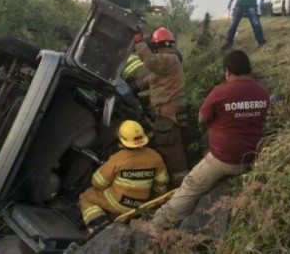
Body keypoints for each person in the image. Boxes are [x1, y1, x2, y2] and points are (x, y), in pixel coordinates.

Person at [146, 50, 270, 232]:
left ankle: (158, 225)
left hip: (224, 158)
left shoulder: (220, 92)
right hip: (253, 155)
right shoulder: (262, 91)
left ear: (227, 71)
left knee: (191, 184)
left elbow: (202, 119)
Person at [79, 120, 169, 236]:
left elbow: (98, 183)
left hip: (117, 203)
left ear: (121, 141)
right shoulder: (154, 156)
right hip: (140, 205)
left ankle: (99, 226)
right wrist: (154, 199)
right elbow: (162, 182)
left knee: (87, 196)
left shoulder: (118, 159)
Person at [134, 27, 189, 186]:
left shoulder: (167, 59)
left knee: (172, 155)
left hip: (167, 118)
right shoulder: (170, 61)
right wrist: (137, 87)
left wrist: (138, 42)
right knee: (178, 151)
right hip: (174, 115)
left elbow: (151, 63)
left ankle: (180, 190)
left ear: (156, 45)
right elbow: (154, 77)